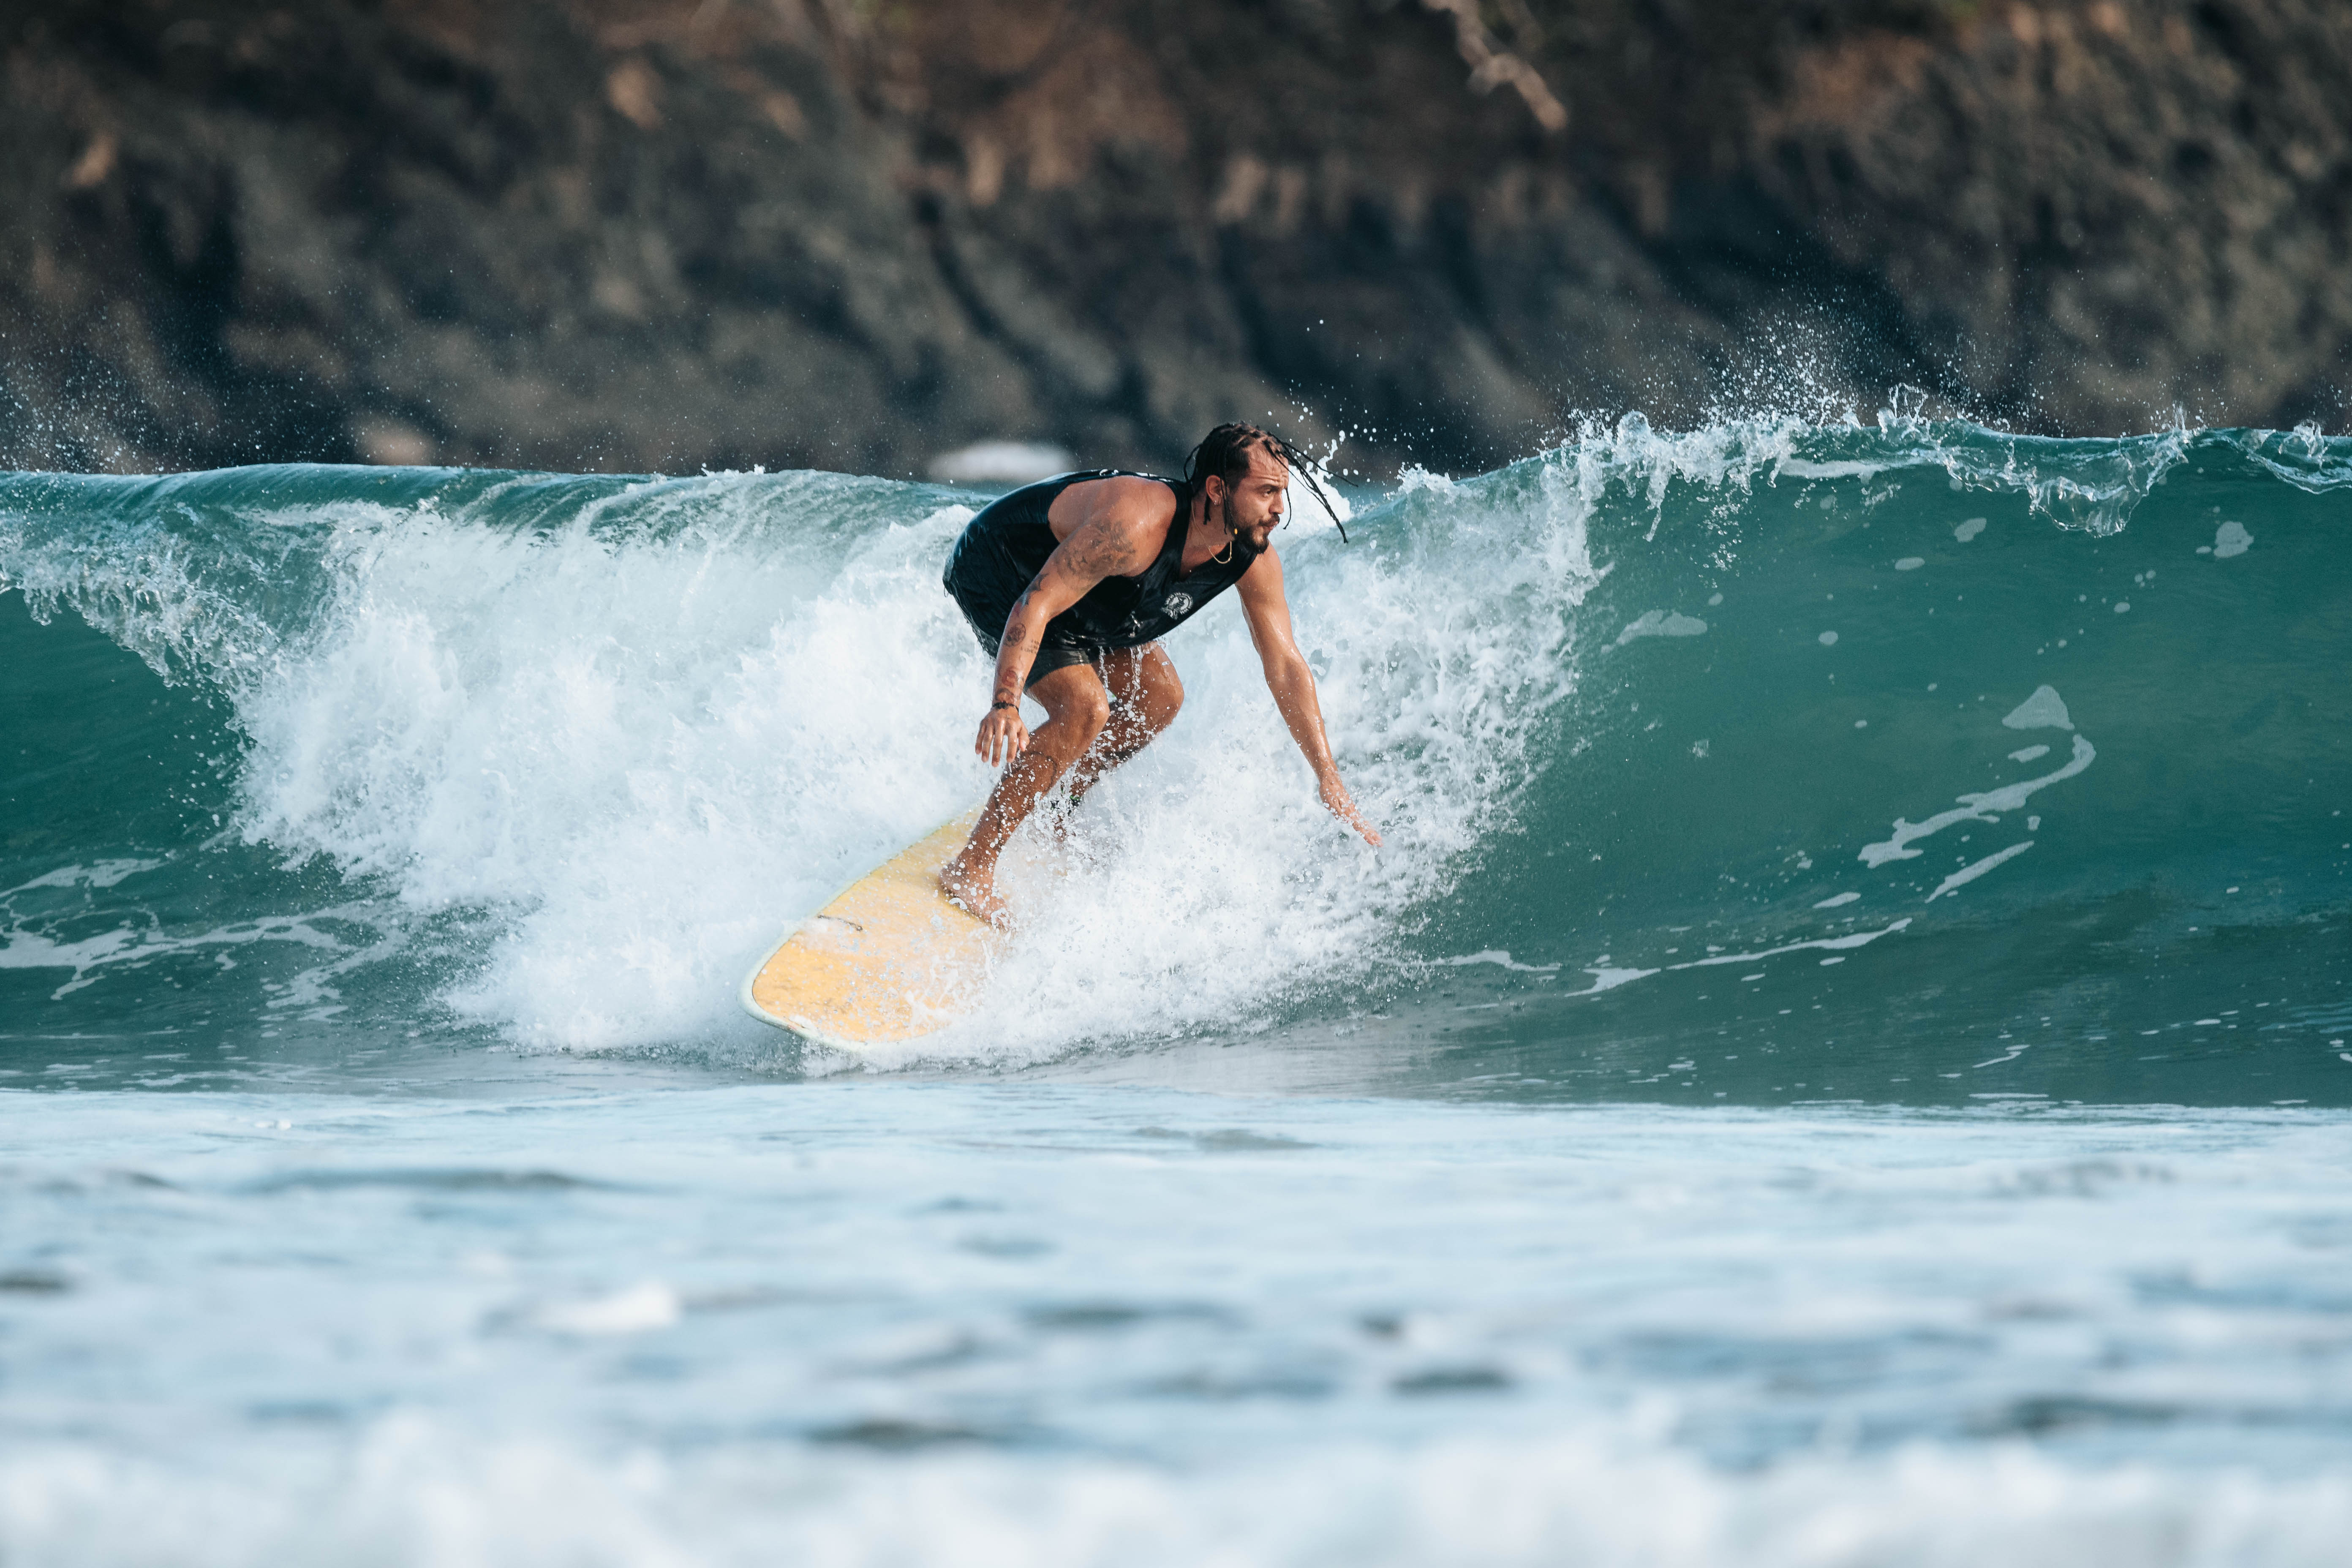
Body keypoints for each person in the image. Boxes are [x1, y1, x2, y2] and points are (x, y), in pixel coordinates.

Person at [937, 422, 1380, 925]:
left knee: (1160, 698)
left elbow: (1286, 664)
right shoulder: (1135, 526)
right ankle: (970, 868)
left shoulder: (1250, 555)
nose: (1280, 508)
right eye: (1266, 491)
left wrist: (1328, 777)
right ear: (1217, 489)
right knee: (1084, 708)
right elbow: (1035, 604)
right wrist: (1005, 704)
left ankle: (1057, 808)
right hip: (1001, 568)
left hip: (1092, 598)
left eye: (1282, 492)